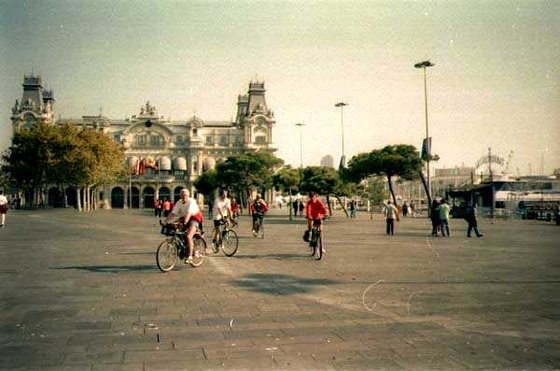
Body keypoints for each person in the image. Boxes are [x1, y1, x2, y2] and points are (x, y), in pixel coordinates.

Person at [164, 189, 204, 264]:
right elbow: (173, 214)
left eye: (185, 195)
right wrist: (165, 221)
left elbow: (189, 213)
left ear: (188, 195)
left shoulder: (191, 201)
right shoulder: (179, 202)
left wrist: (185, 222)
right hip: (184, 218)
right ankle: (183, 248)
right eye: (182, 195)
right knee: (176, 231)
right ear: (180, 196)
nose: (184, 196)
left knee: (189, 236)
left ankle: (190, 257)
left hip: (194, 218)